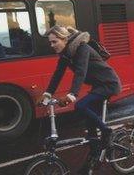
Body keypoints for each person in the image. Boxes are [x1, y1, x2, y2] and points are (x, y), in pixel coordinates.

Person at [43, 25, 122, 174]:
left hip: (109, 84)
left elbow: (80, 71)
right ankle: (93, 156)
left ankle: (106, 130)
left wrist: (73, 94)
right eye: (50, 42)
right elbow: (57, 75)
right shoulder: (66, 54)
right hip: (98, 86)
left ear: (64, 39)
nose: (52, 45)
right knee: (89, 121)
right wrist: (47, 94)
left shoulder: (82, 48)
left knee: (80, 106)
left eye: (54, 42)